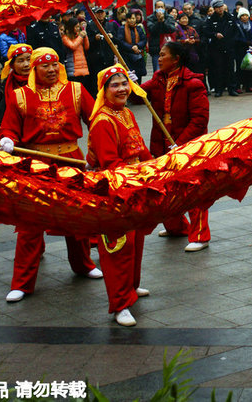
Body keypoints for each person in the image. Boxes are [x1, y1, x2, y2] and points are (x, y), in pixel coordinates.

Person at [0, 47, 102, 302]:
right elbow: (9, 128)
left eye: (55, 64)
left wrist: (99, 153)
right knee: (31, 222)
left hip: (71, 159)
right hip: (36, 163)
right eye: (45, 65)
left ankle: (83, 264)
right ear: (35, 69)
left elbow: (98, 119)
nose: (52, 69)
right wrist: (8, 139)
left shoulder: (76, 90)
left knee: (76, 216)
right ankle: (22, 282)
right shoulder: (20, 96)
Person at [87, 65, 152, 326]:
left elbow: (140, 147)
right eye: (115, 85)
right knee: (118, 247)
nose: (122, 89)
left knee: (135, 242)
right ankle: (120, 303)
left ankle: (131, 287)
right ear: (104, 91)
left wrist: (157, 165)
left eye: (125, 83)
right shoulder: (103, 121)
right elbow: (109, 162)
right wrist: (136, 177)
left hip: (134, 185)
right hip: (114, 191)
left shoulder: (126, 112)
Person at [137, 42, 211, 252]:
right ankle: (176, 227)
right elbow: (138, 96)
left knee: (193, 191)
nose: (159, 59)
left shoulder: (193, 84)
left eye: (163, 55)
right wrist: (128, 82)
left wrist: (180, 143)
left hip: (188, 147)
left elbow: (200, 119)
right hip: (162, 145)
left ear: (176, 59)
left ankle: (200, 235)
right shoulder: (158, 79)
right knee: (166, 189)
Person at [202, 0, 239, 97]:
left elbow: (236, 31)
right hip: (217, 48)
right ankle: (219, 89)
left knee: (230, 69)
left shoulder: (230, 17)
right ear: (214, 8)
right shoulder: (211, 19)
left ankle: (232, 89)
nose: (220, 9)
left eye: (221, 6)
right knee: (218, 69)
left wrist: (232, 41)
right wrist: (215, 35)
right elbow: (206, 31)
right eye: (218, 7)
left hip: (229, 47)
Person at [118, 9, 147, 81]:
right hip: (126, 57)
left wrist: (137, 46)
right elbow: (121, 42)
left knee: (138, 78)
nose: (132, 20)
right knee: (128, 78)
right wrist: (131, 47)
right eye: (130, 18)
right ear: (127, 19)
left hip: (137, 57)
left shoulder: (138, 28)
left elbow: (144, 40)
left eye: (133, 18)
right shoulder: (122, 29)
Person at [234, 8, 252, 93]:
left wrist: (251, 42)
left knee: (250, 67)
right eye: (242, 16)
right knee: (240, 68)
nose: (244, 17)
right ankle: (238, 86)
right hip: (240, 49)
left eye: (246, 15)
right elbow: (235, 37)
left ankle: (249, 86)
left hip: (250, 49)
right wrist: (244, 42)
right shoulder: (237, 25)